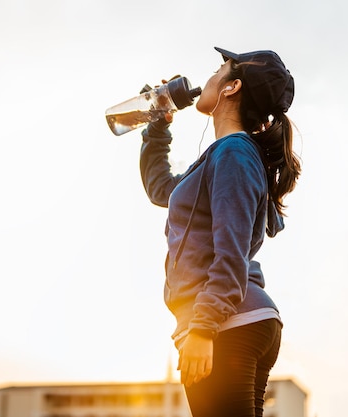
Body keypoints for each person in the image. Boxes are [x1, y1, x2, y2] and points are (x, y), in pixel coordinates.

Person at [139, 47, 301, 417]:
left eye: (219, 70)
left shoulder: (234, 153)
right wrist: (158, 125)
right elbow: (161, 188)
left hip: (227, 324)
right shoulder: (224, 156)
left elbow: (231, 249)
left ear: (232, 87)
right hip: (233, 321)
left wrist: (202, 328)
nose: (209, 78)